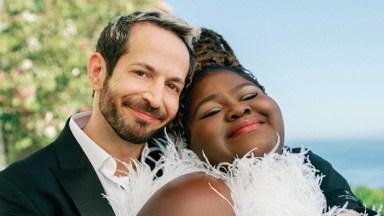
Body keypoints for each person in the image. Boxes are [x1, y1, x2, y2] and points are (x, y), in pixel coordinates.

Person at [136, 28, 379, 216]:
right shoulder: (191, 192)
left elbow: (349, 204)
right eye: (211, 111)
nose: (239, 108)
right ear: (183, 140)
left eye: (250, 95)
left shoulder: (308, 164)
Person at [0, 9, 199, 215]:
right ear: (98, 72)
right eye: (142, 73)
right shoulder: (17, 190)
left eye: (172, 86)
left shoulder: (187, 172)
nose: (156, 100)